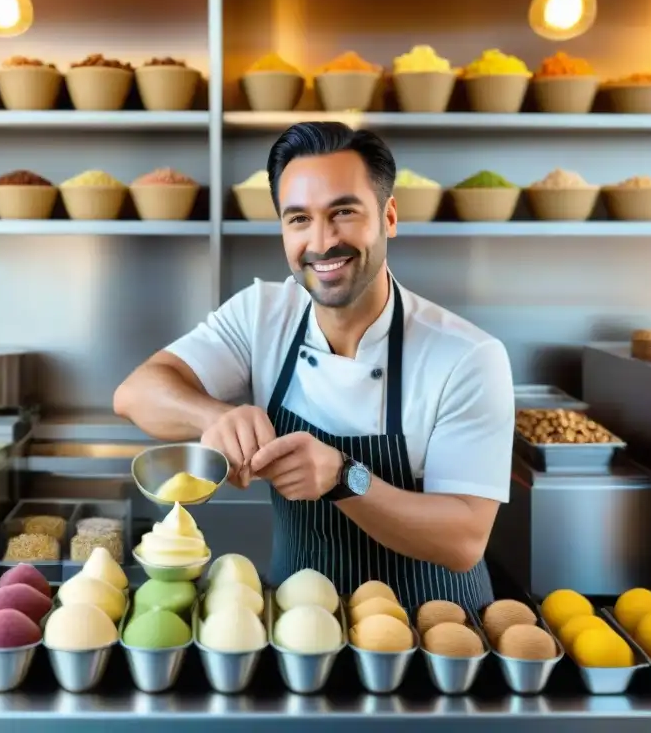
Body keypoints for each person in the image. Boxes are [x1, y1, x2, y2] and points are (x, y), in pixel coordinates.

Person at [114, 121, 514, 611]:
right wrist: (214, 416)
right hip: (298, 628)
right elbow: (136, 393)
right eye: (299, 219)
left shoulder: (466, 356)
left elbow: (463, 539)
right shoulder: (262, 314)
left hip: (433, 634)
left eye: (343, 212)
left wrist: (344, 478)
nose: (322, 242)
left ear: (389, 216)